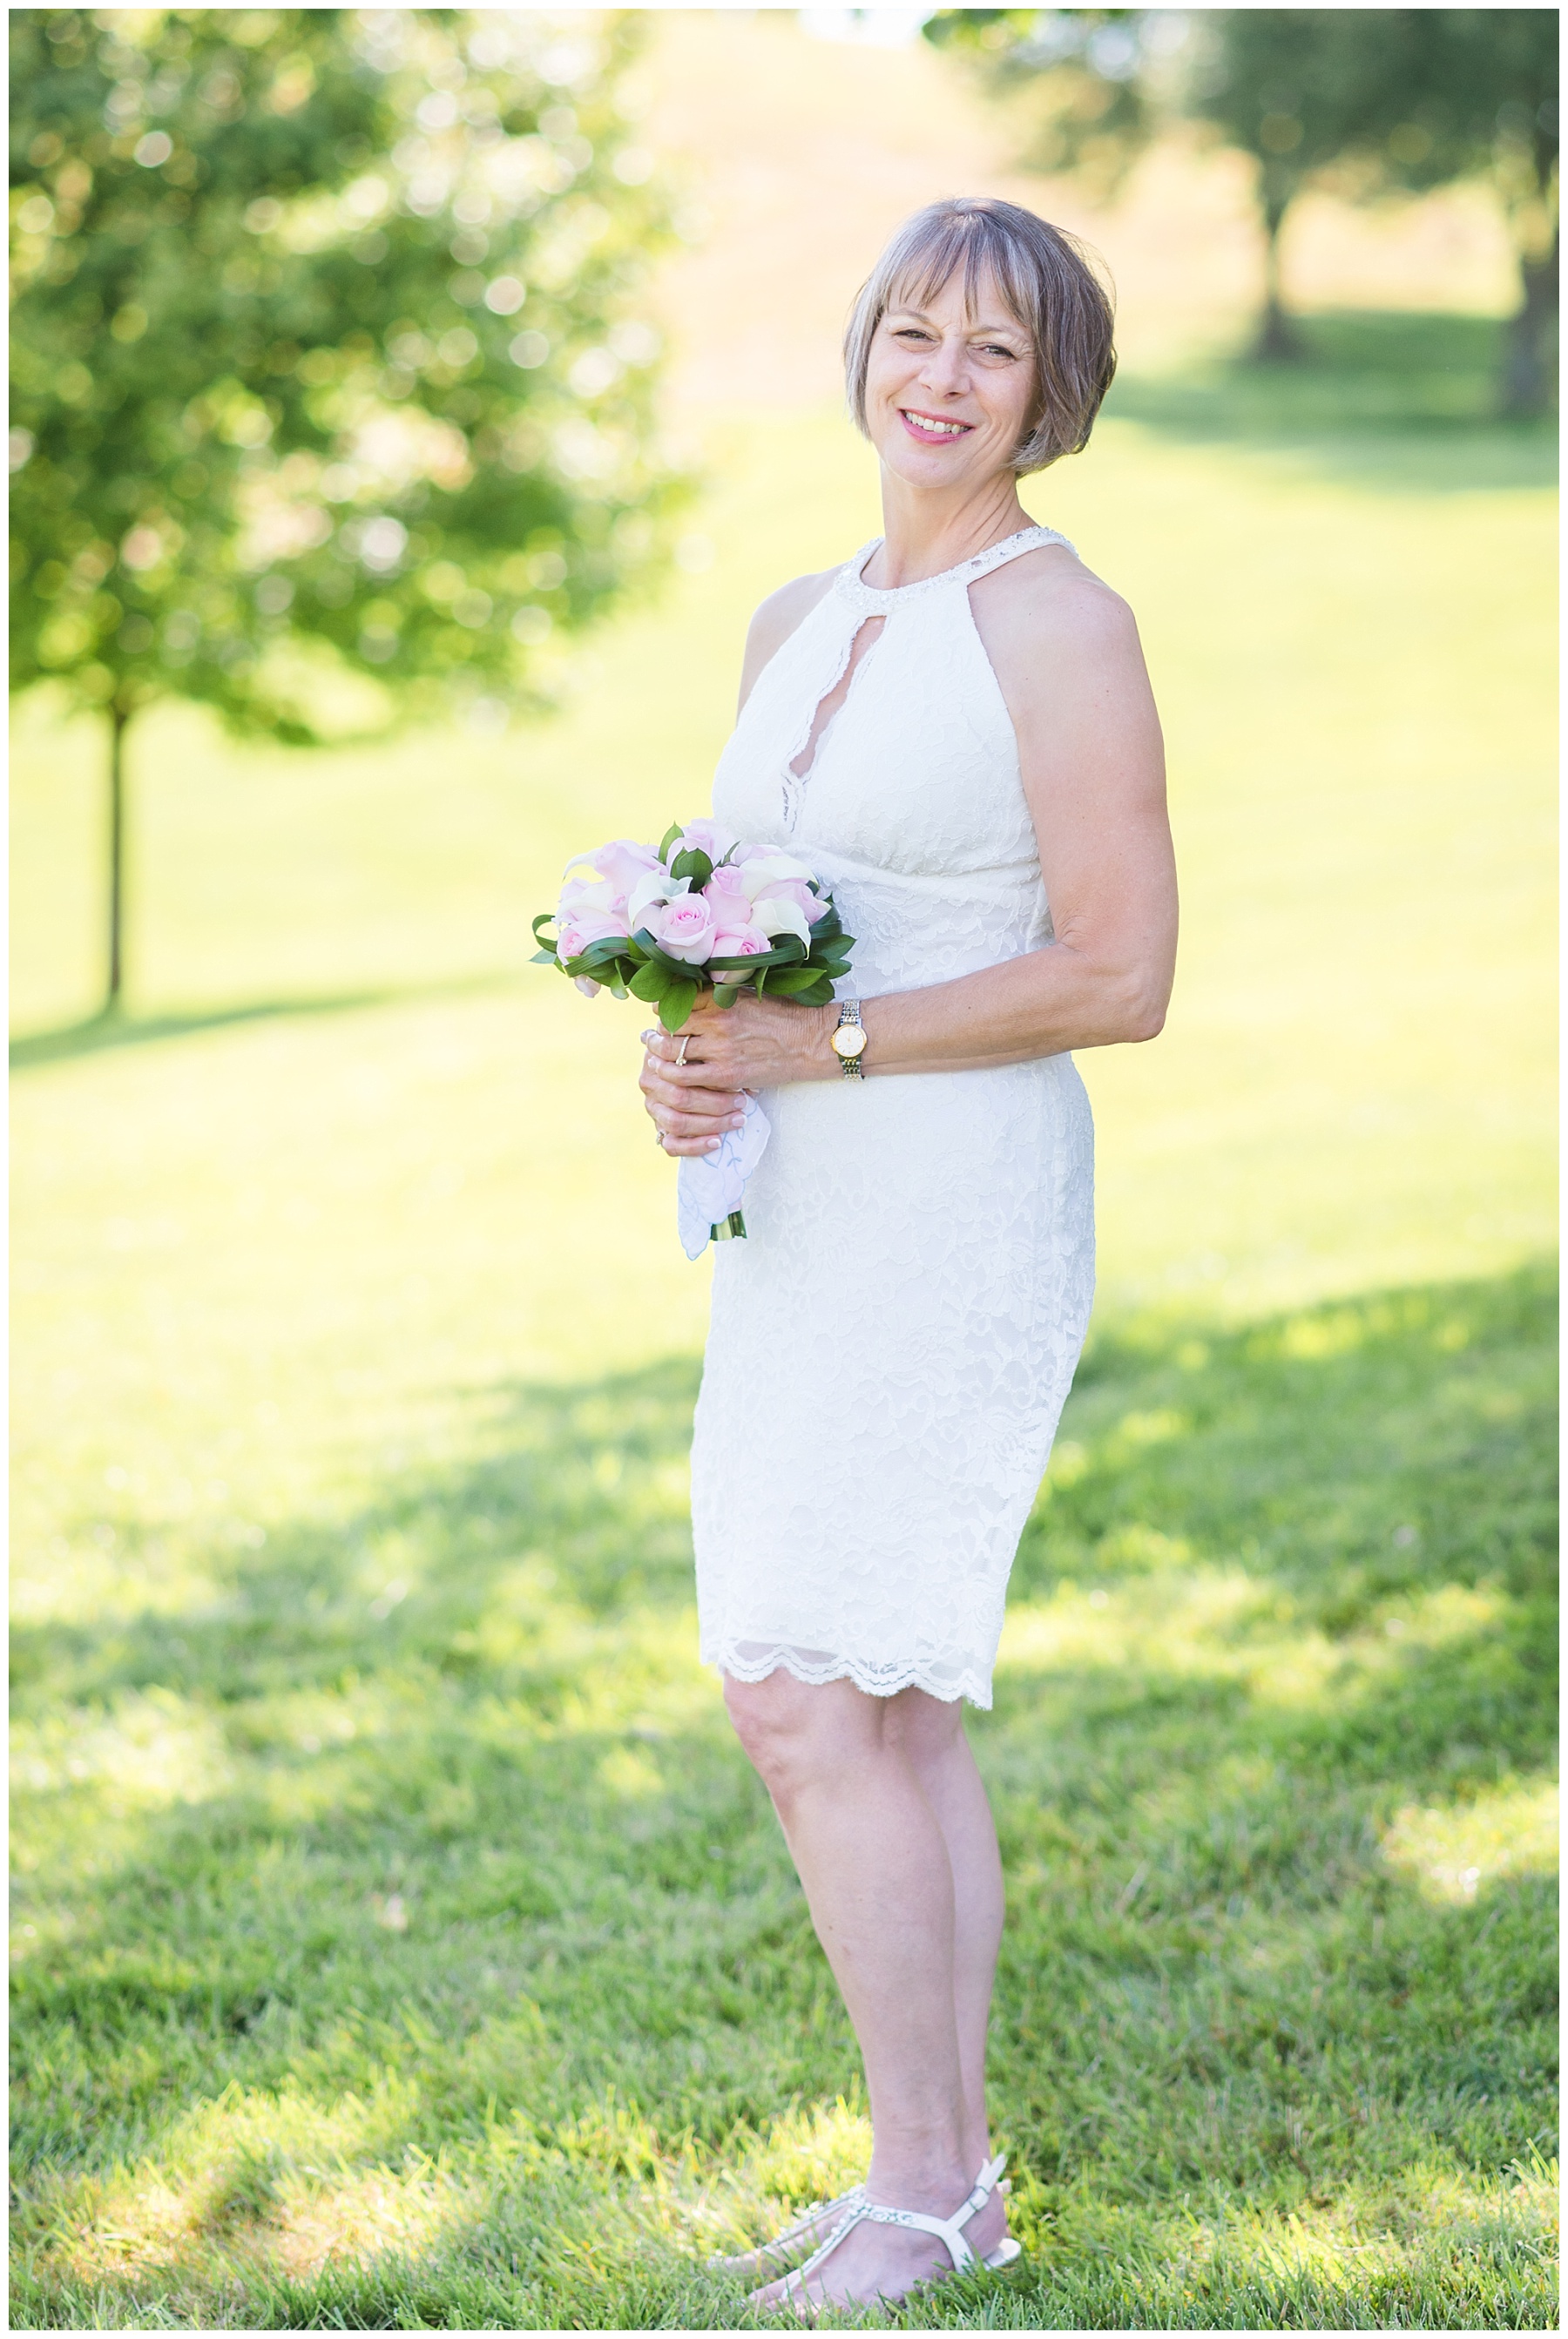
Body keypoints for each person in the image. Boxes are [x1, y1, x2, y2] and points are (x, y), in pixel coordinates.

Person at [638, 195, 1178, 2315]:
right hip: (802, 1203)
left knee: (802, 1685)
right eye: (915, 333)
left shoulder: (1064, 623)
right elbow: (743, 925)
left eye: (995, 354)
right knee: (879, 1693)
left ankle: (929, 2185)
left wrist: (826, 1041)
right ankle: (939, 2178)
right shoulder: (796, 615)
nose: (940, 379)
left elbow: (1122, 971)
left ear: (1056, 398)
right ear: (864, 345)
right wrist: (691, 1067)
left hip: (951, 1192)